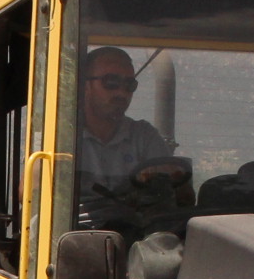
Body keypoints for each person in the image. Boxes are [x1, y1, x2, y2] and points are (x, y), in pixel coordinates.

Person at [76, 47, 181, 196]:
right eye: (111, 82)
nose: (121, 92)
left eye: (129, 85)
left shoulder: (144, 137)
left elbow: (176, 194)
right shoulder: (59, 133)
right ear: (85, 85)